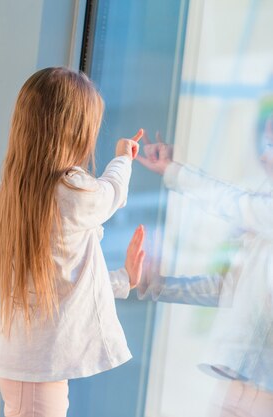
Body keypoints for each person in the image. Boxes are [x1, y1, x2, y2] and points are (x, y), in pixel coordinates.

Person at [0, 67, 146, 417]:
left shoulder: (19, 192)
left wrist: (125, 279)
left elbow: (65, 278)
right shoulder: (69, 191)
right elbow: (113, 193)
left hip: (24, 363)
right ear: (74, 131)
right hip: (37, 370)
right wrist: (123, 156)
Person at [136, 109, 273, 417]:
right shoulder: (264, 208)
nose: (263, 158)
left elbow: (232, 204)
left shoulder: (263, 212)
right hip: (234, 383)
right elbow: (226, 288)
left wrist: (174, 171)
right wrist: (160, 286)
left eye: (271, 146)